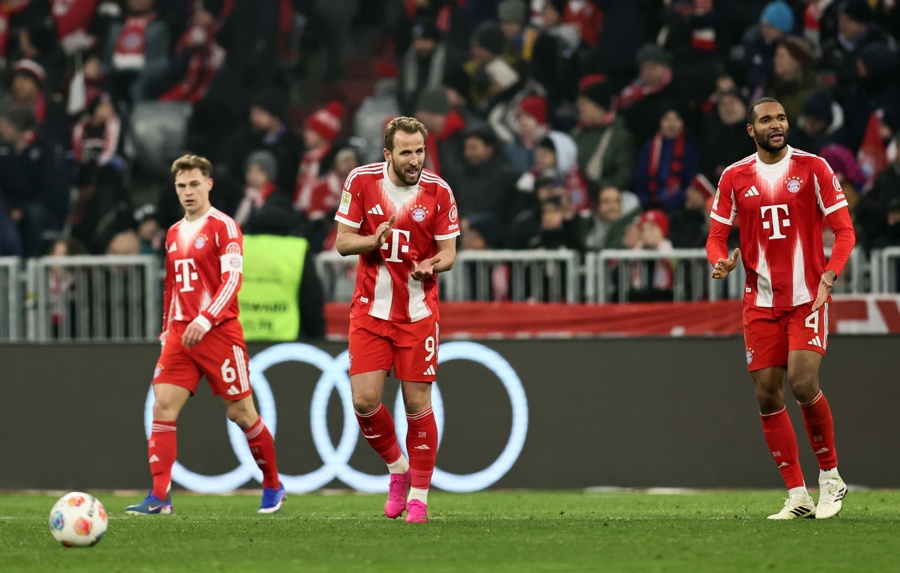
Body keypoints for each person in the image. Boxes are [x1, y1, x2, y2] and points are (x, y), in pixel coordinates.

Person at [706, 97, 855, 520]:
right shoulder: (735, 177)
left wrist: (830, 275)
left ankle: (830, 478)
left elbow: (844, 231)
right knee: (767, 393)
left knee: (804, 383)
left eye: (781, 117)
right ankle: (797, 495)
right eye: (767, 119)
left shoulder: (814, 168)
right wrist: (719, 259)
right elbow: (717, 236)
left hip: (809, 296)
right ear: (750, 130)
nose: (777, 124)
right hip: (760, 301)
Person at [126, 154, 285, 515]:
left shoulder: (224, 227)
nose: (188, 192)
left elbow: (233, 280)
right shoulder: (172, 233)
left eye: (194, 184)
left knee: (241, 414)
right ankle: (160, 496)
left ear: (209, 184)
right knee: (163, 406)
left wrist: (207, 318)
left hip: (218, 333)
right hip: (182, 334)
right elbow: (171, 286)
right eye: (181, 186)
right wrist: (168, 328)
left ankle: (273, 484)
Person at [334, 116, 459, 524]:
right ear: (387, 154)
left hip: (418, 314)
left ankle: (419, 498)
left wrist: (431, 267)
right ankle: (398, 471)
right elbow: (342, 242)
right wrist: (374, 240)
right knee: (364, 400)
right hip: (371, 311)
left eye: (419, 151)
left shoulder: (439, 192)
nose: (414, 159)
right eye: (406, 152)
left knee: (416, 403)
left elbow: (449, 253)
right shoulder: (361, 181)